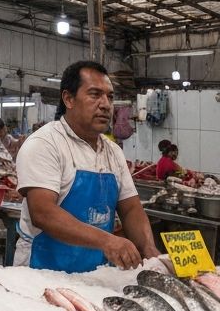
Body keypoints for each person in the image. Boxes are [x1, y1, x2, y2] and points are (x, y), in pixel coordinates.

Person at [13, 60, 159, 272]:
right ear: (69, 99)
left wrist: (149, 249)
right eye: (94, 94)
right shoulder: (45, 143)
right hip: (42, 272)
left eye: (109, 96)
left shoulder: (113, 151)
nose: (105, 104)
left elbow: (130, 208)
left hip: (96, 275)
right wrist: (108, 241)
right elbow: (43, 212)